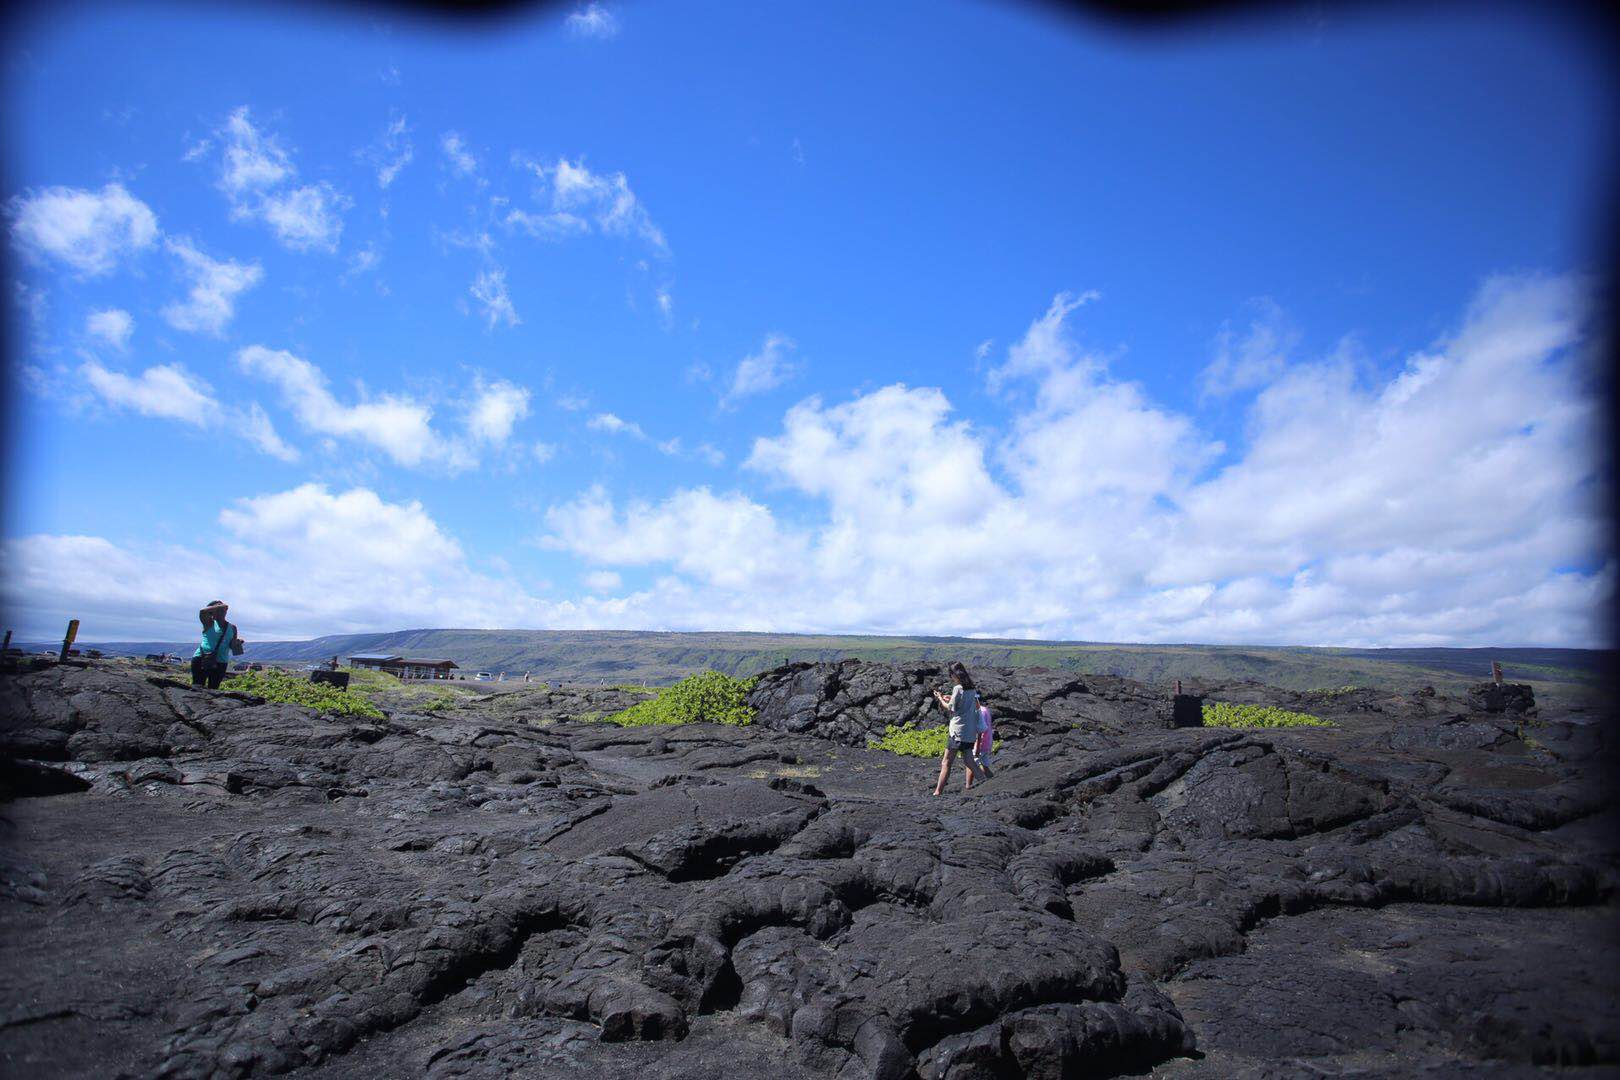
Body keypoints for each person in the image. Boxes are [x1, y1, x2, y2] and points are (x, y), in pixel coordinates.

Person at [932, 662, 987, 794]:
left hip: (957, 732)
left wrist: (940, 698)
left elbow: (951, 708)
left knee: (946, 762)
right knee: (969, 761)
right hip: (969, 731)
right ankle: (986, 783)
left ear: (954, 675)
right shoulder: (971, 688)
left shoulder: (958, 688)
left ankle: (938, 791)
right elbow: (966, 704)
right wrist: (950, 698)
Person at [191, 600, 238, 689]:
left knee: (213, 689)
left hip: (221, 662)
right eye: (216, 609)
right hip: (202, 658)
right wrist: (220, 606)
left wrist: (237, 643)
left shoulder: (232, 628)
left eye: (222, 609)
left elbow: (232, 646)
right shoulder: (208, 623)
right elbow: (202, 611)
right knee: (197, 687)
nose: (220, 611)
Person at [976, 699, 995, 769]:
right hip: (987, 742)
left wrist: (977, 746)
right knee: (984, 766)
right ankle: (990, 778)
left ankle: (980, 779)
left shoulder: (980, 712)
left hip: (981, 744)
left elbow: (980, 731)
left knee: (972, 765)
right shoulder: (985, 709)